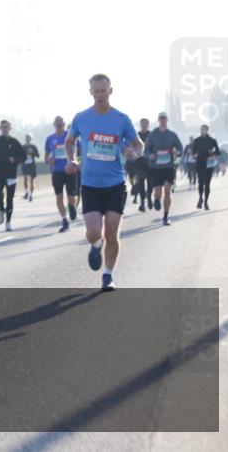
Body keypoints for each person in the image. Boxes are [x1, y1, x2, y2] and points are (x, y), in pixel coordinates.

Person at [66, 74, 142, 292]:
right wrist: (71, 159)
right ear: (91, 92)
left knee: (112, 233)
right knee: (93, 232)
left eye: (104, 90)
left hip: (115, 184)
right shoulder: (81, 118)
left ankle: (108, 275)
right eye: (96, 91)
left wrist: (134, 152)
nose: (100, 95)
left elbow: (139, 144)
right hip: (90, 184)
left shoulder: (121, 119)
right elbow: (69, 141)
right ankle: (95, 245)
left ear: (110, 91)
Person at [144, 111, 183, 226]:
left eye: (164, 118)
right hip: (156, 167)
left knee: (167, 192)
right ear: (158, 120)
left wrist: (178, 152)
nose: (162, 120)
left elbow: (180, 148)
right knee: (158, 193)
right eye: (160, 118)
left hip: (169, 166)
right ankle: (156, 199)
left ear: (167, 120)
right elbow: (146, 150)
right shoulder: (153, 135)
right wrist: (150, 155)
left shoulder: (172, 135)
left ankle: (165, 217)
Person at [0, 120, 25, 231]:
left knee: (10, 200)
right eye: (2, 127)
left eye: (6, 127)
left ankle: (8, 222)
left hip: (11, 174)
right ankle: (1, 209)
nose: (4, 129)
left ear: (10, 128)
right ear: (0, 129)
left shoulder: (14, 142)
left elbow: (23, 156)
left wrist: (15, 159)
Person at [45, 116, 79, 232]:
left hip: (69, 170)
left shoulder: (70, 136)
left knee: (71, 197)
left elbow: (80, 149)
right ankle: (64, 220)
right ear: (54, 125)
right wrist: (48, 160)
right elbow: (47, 155)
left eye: (61, 124)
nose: (59, 126)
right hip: (57, 172)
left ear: (64, 125)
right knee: (59, 197)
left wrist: (76, 162)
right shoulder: (50, 139)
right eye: (57, 124)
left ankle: (72, 207)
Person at [193, 125, 221, 210]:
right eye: (201, 129)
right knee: (201, 182)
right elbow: (194, 151)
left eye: (204, 130)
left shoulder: (212, 140)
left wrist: (213, 153)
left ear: (207, 130)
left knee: (208, 184)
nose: (202, 131)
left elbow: (218, 152)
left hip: (209, 163)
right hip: (200, 162)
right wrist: (195, 154)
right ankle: (200, 198)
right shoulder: (197, 140)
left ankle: (206, 202)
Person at [134, 118, 152, 212]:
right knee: (141, 183)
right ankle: (142, 203)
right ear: (140, 125)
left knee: (150, 183)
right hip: (139, 162)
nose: (144, 125)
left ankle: (149, 198)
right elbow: (132, 147)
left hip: (150, 163)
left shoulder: (151, 135)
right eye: (142, 124)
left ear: (148, 124)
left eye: (145, 123)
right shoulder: (137, 135)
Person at [22, 134, 40, 202]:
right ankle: (26, 192)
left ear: (30, 139)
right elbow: (20, 155)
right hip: (25, 165)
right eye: (26, 138)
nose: (27, 139)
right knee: (25, 180)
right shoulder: (23, 147)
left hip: (31, 165)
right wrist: (25, 153)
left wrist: (33, 152)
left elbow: (38, 155)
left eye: (29, 138)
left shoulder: (33, 146)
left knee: (31, 181)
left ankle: (31, 195)